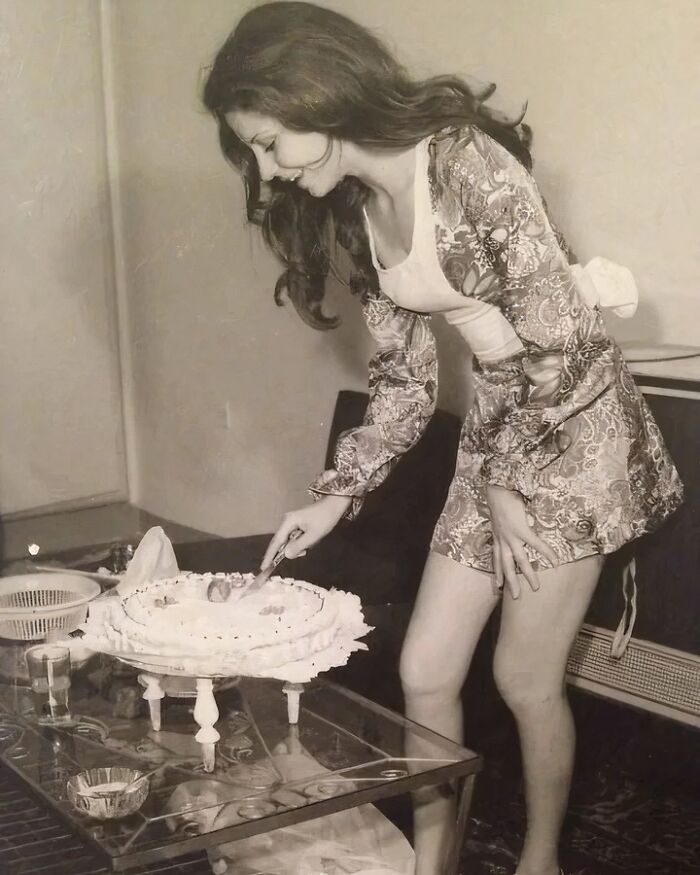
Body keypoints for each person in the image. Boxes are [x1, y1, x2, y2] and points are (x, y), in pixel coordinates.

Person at [202, 4, 684, 874]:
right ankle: (439, 865)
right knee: (426, 669)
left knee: (523, 678)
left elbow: (564, 341)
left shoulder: (466, 163)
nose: (268, 171)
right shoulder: (357, 208)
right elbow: (406, 378)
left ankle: (541, 859)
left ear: (318, 95)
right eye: (255, 153)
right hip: (504, 423)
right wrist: (336, 492)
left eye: (271, 142)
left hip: (574, 421)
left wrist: (504, 485)